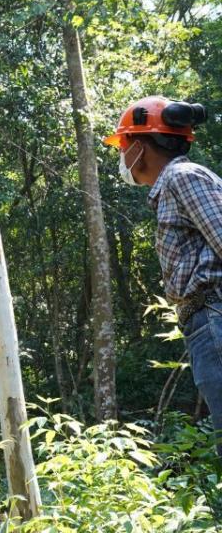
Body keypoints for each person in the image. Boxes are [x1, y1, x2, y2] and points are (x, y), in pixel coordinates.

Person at [103, 96, 222, 450]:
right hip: (204, 322)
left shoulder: (182, 177)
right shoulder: (173, 184)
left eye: (122, 146)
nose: (121, 156)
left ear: (139, 146)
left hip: (213, 316)